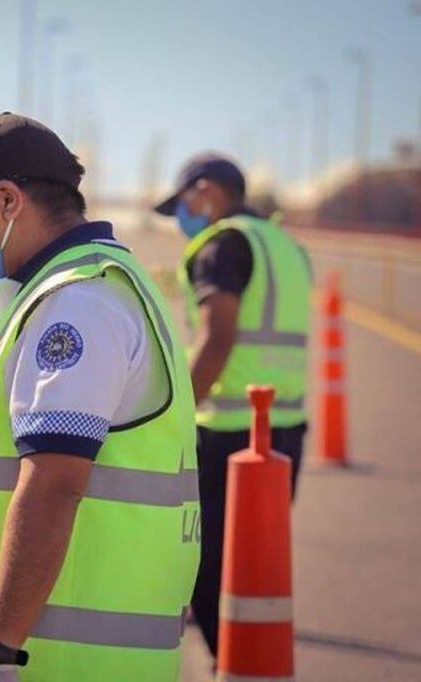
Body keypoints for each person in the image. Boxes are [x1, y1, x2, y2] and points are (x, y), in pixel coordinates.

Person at [0, 112, 200, 681]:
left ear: (6, 202)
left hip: (56, 665)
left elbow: (53, 485)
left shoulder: (78, 304)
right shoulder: (67, 291)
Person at [154, 153, 311, 660]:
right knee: (250, 571)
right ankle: (245, 661)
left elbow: (217, 339)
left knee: (206, 574)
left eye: (182, 203)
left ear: (206, 191)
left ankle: (236, 664)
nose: (181, 217)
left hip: (226, 433)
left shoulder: (222, 246)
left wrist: (173, 418)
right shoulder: (283, 245)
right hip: (282, 426)